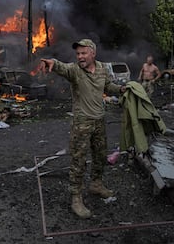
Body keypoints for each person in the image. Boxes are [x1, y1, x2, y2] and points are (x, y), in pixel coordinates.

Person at [40, 39, 126, 219]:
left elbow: (108, 86)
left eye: (83, 53)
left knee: (100, 155)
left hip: (99, 121)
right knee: (78, 160)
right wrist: (52, 63)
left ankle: (96, 184)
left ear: (93, 53)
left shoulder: (102, 68)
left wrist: (122, 89)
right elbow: (61, 67)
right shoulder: (74, 71)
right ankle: (76, 198)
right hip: (82, 122)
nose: (80, 56)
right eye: (78, 54)